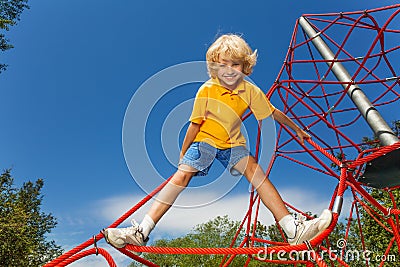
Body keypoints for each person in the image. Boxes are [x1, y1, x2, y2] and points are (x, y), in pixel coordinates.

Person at [103, 34, 332, 249]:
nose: (229, 70)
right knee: (181, 176)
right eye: (223, 65)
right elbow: (195, 125)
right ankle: (141, 232)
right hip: (204, 141)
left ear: (245, 66)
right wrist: (184, 154)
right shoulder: (207, 90)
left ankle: (292, 230)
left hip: (232, 144)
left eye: (236, 65)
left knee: (255, 171)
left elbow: (273, 112)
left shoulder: (250, 91)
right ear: (214, 66)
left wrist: (298, 129)